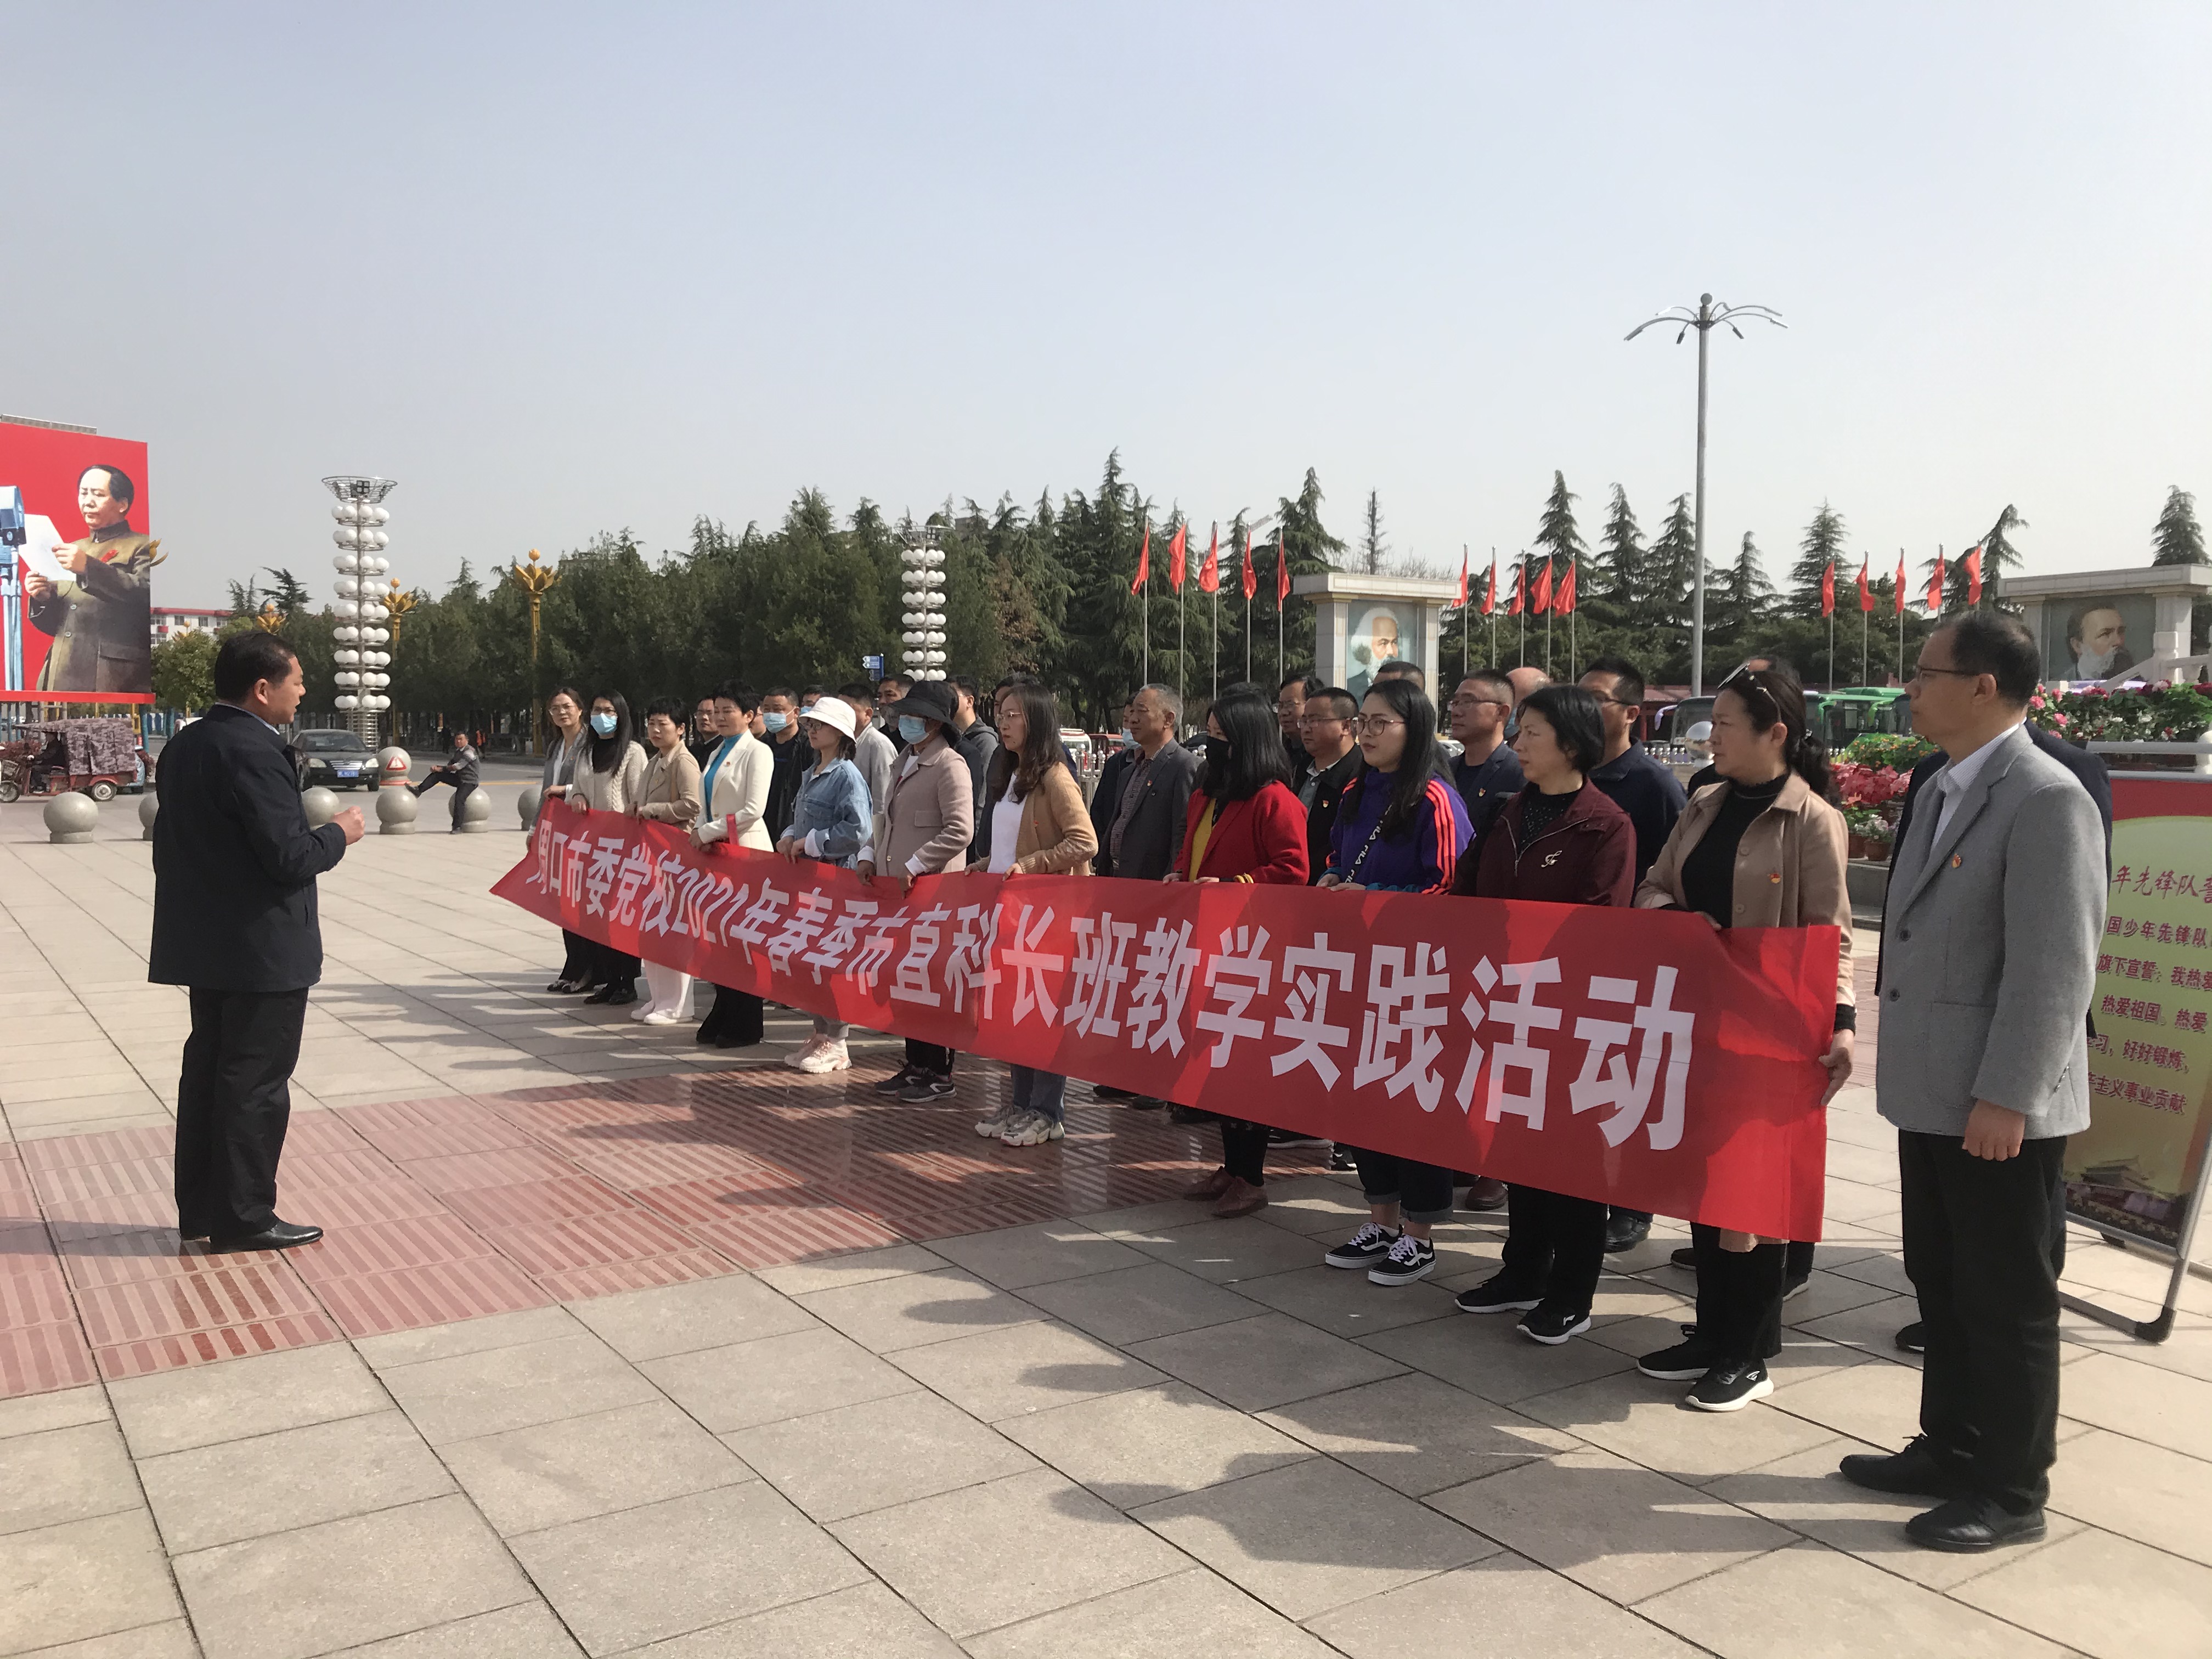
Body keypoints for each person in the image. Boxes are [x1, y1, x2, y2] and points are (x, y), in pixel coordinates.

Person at [1838, 611, 2103, 1553]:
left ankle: (2012, 1485)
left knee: (2006, 1297)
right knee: (1942, 1280)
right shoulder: (1939, 783)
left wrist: (2009, 1096)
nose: (1912, 688)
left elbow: (2054, 970)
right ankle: (1949, 1444)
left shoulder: (2045, 797)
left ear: (1983, 685)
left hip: (1997, 1104)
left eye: (1926, 673)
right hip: (1932, 1089)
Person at [1629, 667, 1857, 1410]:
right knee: (1705, 1179)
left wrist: (1843, 1023)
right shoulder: (1704, 803)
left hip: (1773, 1029)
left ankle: (1749, 1351)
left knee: (1752, 1194)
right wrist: (1678, 919)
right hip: (1697, 1016)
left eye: (1726, 724)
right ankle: (1711, 1332)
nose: (1711, 737)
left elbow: (1831, 935)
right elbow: (1651, 886)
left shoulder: (1811, 820)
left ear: (1775, 734)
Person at [149, 632, 364, 1250]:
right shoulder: (255, 750)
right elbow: (288, 856)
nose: (303, 691)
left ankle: (202, 1211)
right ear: (263, 688)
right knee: (254, 1085)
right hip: (261, 951)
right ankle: (244, 1217)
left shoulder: (185, 745)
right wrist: (339, 833)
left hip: (206, 943)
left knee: (209, 1077)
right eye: (297, 681)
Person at [1452, 686, 1636, 1342]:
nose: (1519, 744)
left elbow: (1599, 923)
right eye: (1520, 732)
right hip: (1504, 1003)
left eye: (1532, 733)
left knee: (1573, 1157)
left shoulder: (1605, 825)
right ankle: (1522, 1270)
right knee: (1518, 1145)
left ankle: (1572, 1292)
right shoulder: (1509, 812)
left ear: (1571, 743)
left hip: (1569, 1013)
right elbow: (1466, 892)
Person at [1316, 679, 1472, 1285]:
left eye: (1381, 723)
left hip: (1417, 976)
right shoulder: (1355, 791)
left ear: (1417, 729)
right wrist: (1334, 879)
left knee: (1413, 1101)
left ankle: (1419, 1234)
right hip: (1359, 969)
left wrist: (1374, 896)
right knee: (1363, 1099)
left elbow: (1450, 889)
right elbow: (1340, 856)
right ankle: (1379, 1220)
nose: (1368, 734)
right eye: (1364, 723)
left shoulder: (1434, 797)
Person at [1172, 687, 1309, 1216]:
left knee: (1244, 1063)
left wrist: (1235, 885)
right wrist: (1179, 876)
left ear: (1247, 740)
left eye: (1221, 736)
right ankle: (1230, 1166)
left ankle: (1251, 1175)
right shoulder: (1207, 795)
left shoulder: (1274, 799)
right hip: (1205, 941)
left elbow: (1292, 869)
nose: (1212, 745)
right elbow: (1191, 854)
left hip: (1252, 948)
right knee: (1215, 1060)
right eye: (1209, 734)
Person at [1578, 655, 1688, 1253]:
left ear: (1630, 713)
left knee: (1630, 1083)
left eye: (1597, 699)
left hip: (1636, 963)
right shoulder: (1570, 772)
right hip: (1580, 960)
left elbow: (1672, 876)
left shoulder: (1653, 786)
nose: (1584, 708)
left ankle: (1633, 1203)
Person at [972, 682, 1099, 1147]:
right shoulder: (1013, 773)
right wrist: (987, 866)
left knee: (1043, 1011)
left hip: (1047, 916)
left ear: (1037, 721)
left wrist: (1031, 866)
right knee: (1014, 1010)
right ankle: (1022, 1101)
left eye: (1014, 716)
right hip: (1011, 913)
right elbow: (1014, 844)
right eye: (1001, 714)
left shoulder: (1055, 776)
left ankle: (1048, 1110)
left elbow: (1085, 841)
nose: (1003, 723)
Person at [862, 680, 977, 1102]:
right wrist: (869, 854)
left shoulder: (950, 765)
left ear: (933, 723)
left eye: (913, 716)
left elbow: (961, 830)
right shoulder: (904, 759)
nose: (904, 722)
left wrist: (916, 863)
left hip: (934, 893)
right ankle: (916, 1063)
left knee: (933, 980)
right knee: (905, 977)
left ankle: (940, 1071)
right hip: (899, 893)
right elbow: (885, 819)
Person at [775, 695, 873, 1074]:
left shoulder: (846, 776)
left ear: (841, 733)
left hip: (835, 881)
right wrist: (789, 836)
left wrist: (813, 843)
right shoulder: (813, 772)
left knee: (832, 960)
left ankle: (838, 1040)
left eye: (821, 725)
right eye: (811, 724)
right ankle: (821, 1033)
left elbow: (859, 830)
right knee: (812, 958)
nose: (813, 730)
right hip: (810, 883)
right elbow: (800, 817)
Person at [24, 464, 156, 694]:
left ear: (122, 504)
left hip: (112, 677)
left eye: (98, 494)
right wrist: (43, 599)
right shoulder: (72, 549)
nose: (88, 501)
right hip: (60, 674)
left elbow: (145, 594)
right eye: (83, 493)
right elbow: (63, 624)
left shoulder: (144, 545)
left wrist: (88, 568)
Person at [694, 681, 774, 1048]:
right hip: (717, 855)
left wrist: (708, 831)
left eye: (729, 711)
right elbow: (707, 803)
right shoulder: (716, 752)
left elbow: (753, 810)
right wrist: (702, 831)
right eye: (717, 711)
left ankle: (746, 1022)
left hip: (746, 852)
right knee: (720, 937)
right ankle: (725, 1007)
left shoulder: (757, 752)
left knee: (744, 938)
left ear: (749, 715)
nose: (720, 717)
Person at [567, 693, 648, 1005]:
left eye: (609, 711)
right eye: (597, 710)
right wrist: (576, 797)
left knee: (622, 915)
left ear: (621, 715)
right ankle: (610, 980)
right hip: (594, 847)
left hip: (623, 847)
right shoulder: (586, 752)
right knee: (599, 914)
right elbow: (577, 788)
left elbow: (639, 798)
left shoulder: (633, 753)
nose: (602, 716)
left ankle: (627, 981)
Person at [630, 698, 704, 1027]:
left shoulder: (683, 762)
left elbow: (693, 806)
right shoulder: (655, 760)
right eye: (652, 724)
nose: (656, 730)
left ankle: (678, 1004)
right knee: (653, 928)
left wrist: (651, 811)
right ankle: (659, 997)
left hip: (675, 853)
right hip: (653, 854)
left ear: (681, 728)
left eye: (663, 724)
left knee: (674, 929)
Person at [1447, 669, 1523, 843]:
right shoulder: (1445, 770)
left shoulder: (1517, 772)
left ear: (1502, 712)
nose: (1456, 711)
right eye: (1455, 703)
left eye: (1468, 702)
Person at [1297, 686, 1362, 882]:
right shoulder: (1299, 769)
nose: (1306, 728)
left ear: (1346, 726)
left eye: (1315, 720)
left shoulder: (1363, 775)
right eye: (1304, 721)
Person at [948, 675, 1000, 825]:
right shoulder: (951, 737)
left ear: (970, 701)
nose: (947, 701)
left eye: (952, 696)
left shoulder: (985, 741)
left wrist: (977, 830)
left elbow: (985, 793)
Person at [841, 681, 898, 814]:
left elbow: (883, 800)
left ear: (868, 713)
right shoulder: (841, 742)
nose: (840, 714)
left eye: (847, 710)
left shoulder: (879, 745)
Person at [759, 686, 808, 839]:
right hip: (764, 824)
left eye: (777, 710)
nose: (771, 714)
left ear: (796, 712)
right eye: (767, 710)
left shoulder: (808, 746)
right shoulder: (761, 746)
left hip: (793, 826)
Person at [409, 730, 481, 830]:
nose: (458, 741)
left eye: (461, 739)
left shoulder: (469, 751)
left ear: (467, 740)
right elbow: (450, 765)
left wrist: (442, 769)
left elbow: (458, 766)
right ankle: (419, 790)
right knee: (437, 775)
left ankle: (457, 827)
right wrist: (437, 769)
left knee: (459, 799)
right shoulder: (458, 751)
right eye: (457, 739)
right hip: (460, 778)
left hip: (469, 781)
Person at [2067, 603, 2133, 680]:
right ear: (2078, 645)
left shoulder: (2140, 683)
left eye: (2121, 632)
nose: (2119, 641)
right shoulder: (2060, 685)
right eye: (2105, 634)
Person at [1277, 674, 1318, 792]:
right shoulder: (1280, 754)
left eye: (1290, 704)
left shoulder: (1321, 756)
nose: (1283, 712)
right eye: (1280, 706)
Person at [687, 696, 720, 768]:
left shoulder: (724, 749)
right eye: (700, 713)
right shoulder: (692, 751)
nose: (704, 717)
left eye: (710, 713)